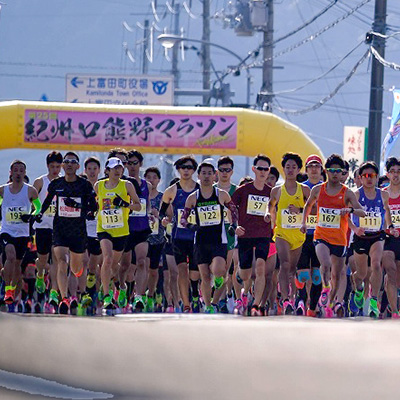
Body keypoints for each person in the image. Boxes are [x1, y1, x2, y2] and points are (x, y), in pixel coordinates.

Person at [301, 154, 365, 317]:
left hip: (339, 239)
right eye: (331, 170)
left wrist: (350, 210)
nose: (335, 174)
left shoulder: (347, 192)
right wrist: (303, 223)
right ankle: (325, 287)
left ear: (343, 172)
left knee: (337, 273)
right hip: (321, 235)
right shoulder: (318, 189)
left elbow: (362, 212)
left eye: (338, 171)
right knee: (325, 264)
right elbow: (308, 205)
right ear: (326, 171)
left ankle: (331, 301)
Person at [39, 152, 97, 314]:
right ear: (63, 166)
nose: (69, 164)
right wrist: (38, 214)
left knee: (76, 268)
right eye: (67, 162)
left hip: (78, 231)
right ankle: (63, 298)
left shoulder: (85, 185)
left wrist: (77, 207)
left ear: (78, 166)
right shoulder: (56, 184)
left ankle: (79, 280)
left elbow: (94, 208)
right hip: (60, 230)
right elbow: (46, 203)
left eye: (73, 162)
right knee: (61, 261)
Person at [181, 161, 238, 313]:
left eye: (209, 173)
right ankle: (208, 306)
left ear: (215, 176)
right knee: (205, 277)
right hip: (200, 241)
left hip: (218, 240)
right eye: (203, 173)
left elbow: (234, 211)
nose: (206, 176)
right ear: (198, 176)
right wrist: (189, 226)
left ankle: (219, 279)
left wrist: (233, 226)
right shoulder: (193, 198)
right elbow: (183, 219)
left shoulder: (221, 194)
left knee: (219, 269)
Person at [94, 157, 141, 311]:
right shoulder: (98, 185)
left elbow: (139, 206)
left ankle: (115, 286)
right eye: (114, 168)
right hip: (104, 228)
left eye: (120, 168)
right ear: (107, 171)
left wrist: (125, 204)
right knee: (107, 259)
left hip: (121, 230)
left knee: (114, 265)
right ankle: (107, 296)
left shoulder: (127, 185)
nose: (117, 171)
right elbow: (96, 203)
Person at [267, 153, 310, 315]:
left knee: (292, 269)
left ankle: (291, 296)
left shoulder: (304, 190)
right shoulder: (277, 190)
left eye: (294, 167)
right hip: (282, 233)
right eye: (287, 167)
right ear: (283, 169)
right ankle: (285, 300)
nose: (290, 170)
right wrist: (268, 216)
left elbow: (314, 209)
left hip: (298, 235)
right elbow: (270, 207)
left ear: (299, 169)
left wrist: (299, 210)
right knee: (284, 264)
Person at [349, 161, 392, 318]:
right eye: (365, 176)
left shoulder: (384, 194)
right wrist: (355, 229)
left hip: (377, 235)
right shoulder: (356, 194)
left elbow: (386, 212)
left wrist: (389, 226)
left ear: (376, 177)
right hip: (361, 237)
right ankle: (358, 289)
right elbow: (347, 216)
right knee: (360, 274)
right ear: (360, 178)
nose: (369, 179)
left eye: (372, 176)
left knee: (375, 265)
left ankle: (374, 299)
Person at [232, 154, 273, 316]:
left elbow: (276, 211)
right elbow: (232, 209)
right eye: (260, 169)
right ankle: (242, 285)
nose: (263, 172)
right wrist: (235, 226)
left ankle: (256, 304)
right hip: (245, 235)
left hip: (263, 234)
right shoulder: (243, 190)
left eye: (266, 169)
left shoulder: (272, 192)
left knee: (261, 268)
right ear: (254, 170)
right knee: (246, 273)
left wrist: (271, 217)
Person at [160, 155, 200, 313]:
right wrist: (164, 219)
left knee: (195, 273)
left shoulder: (199, 189)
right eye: (183, 167)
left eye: (189, 167)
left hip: (197, 237)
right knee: (182, 269)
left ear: (194, 170)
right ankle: (187, 304)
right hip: (179, 236)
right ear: (178, 170)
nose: (186, 170)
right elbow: (163, 212)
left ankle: (195, 294)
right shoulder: (171, 191)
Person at [1, 160, 40, 304]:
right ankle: (7, 290)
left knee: (17, 264)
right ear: (10, 173)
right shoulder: (2, 190)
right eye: (15, 170)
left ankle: (13, 289)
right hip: (7, 231)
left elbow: (39, 208)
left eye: (21, 170)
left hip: (23, 233)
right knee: (10, 256)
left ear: (25, 173)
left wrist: (31, 215)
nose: (18, 173)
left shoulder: (30, 190)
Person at [119, 149, 153, 312]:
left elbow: (149, 206)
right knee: (124, 265)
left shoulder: (148, 185)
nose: (132, 167)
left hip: (142, 228)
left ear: (141, 164)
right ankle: (122, 287)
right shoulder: (122, 184)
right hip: (125, 228)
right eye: (129, 164)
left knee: (141, 261)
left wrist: (154, 215)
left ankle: (139, 296)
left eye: (135, 163)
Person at [32, 151, 62, 308]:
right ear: (47, 166)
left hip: (58, 226)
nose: (55, 170)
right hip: (42, 226)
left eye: (58, 166)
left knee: (56, 259)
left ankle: (54, 293)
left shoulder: (64, 182)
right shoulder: (40, 182)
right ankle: (40, 274)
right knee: (42, 259)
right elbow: (32, 203)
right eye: (52, 167)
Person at [295, 154, 324, 317]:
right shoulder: (300, 188)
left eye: (317, 167)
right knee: (304, 275)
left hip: (321, 236)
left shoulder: (327, 188)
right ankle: (300, 298)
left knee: (317, 276)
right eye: (311, 167)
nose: (314, 170)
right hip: (303, 235)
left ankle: (312, 307)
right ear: (306, 170)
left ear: (321, 170)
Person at [213, 156, 237, 313]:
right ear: (217, 172)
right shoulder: (210, 189)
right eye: (221, 170)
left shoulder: (237, 190)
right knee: (212, 268)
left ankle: (218, 301)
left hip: (229, 232)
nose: (224, 173)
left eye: (227, 170)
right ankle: (209, 295)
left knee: (225, 269)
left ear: (232, 172)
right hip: (212, 231)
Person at [144, 166, 166, 312]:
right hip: (142, 236)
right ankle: (139, 293)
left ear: (159, 180)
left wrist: (161, 216)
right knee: (142, 266)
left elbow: (169, 216)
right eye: (148, 177)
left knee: (153, 270)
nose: (151, 180)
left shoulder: (163, 197)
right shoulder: (139, 195)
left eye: (154, 177)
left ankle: (151, 294)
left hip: (158, 238)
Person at [81, 156, 102, 308]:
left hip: (99, 229)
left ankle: (92, 290)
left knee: (93, 268)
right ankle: (83, 295)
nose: (92, 172)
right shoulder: (81, 186)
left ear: (99, 170)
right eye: (90, 169)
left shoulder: (104, 186)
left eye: (95, 169)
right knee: (83, 262)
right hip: (82, 229)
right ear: (85, 170)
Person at [381, 157, 400, 318]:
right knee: (391, 271)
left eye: (399, 172)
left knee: (397, 277)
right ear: (387, 174)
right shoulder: (382, 194)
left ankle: (391, 305)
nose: (396, 175)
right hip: (387, 239)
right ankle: (395, 312)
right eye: (392, 171)